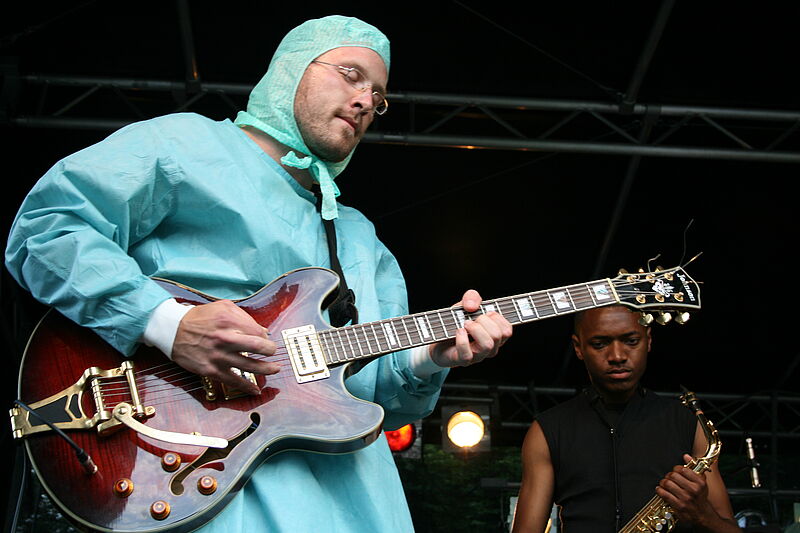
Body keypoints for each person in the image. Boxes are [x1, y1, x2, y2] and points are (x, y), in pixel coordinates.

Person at [4, 15, 512, 533]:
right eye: (351, 75)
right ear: (291, 69)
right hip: (188, 464)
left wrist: (430, 357)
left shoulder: (361, 240)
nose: (365, 100)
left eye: (379, 96)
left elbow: (376, 398)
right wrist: (167, 323)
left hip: (355, 502)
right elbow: (47, 231)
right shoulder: (184, 144)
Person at [511, 305, 739, 533]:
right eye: (599, 344)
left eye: (631, 341)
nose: (617, 356)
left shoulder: (687, 422)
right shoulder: (547, 430)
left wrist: (704, 515)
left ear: (648, 340)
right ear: (578, 348)